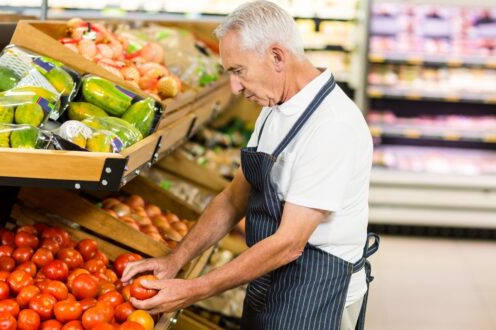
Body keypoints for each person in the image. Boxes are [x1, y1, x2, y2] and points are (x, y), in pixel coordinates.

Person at [122, 1, 379, 329]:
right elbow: (233, 198)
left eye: (238, 71)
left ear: (277, 56)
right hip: (269, 277)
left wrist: (191, 290)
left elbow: (289, 244)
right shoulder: (275, 107)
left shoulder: (331, 125)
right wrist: (175, 260)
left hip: (318, 291)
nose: (235, 87)